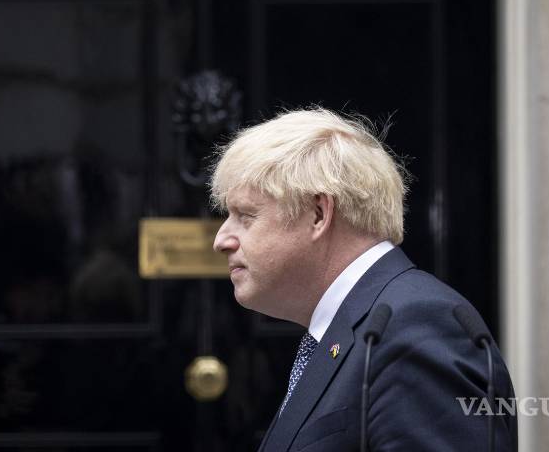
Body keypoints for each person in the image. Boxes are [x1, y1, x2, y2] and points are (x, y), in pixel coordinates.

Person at [210, 107, 517, 451]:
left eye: (246, 216)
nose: (221, 240)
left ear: (318, 214)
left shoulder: (416, 327)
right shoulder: (363, 326)